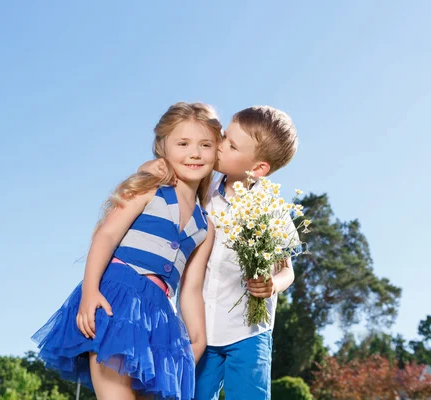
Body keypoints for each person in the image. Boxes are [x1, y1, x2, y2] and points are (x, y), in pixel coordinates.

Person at [32, 102, 223, 400]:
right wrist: (90, 292)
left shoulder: (205, 227)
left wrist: (197, 340)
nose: (195, 153)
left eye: (205, 144)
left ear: (217, 149)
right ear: (163, 147)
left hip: (160, 316)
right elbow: (107, 235)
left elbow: (192, 288)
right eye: (183, 143)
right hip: (117, 299)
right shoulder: (150, 187)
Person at [141, 106, 299, 399]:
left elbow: (286, 269)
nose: (220, 146)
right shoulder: (202, 190)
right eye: (224, 136)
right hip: (199, 327)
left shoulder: (272, 207)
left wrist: (272, 285)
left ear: (259, 168)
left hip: (249, 332)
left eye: (232, 145)